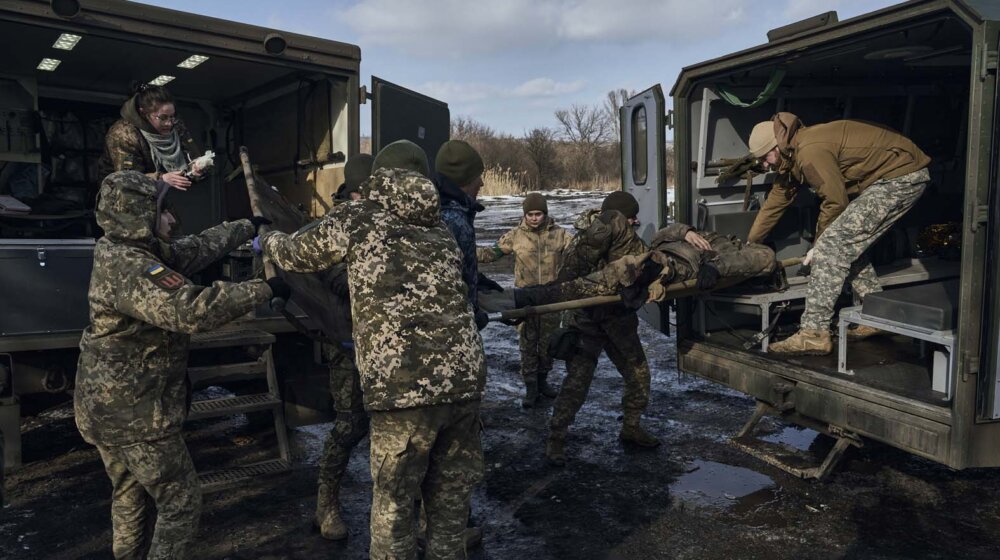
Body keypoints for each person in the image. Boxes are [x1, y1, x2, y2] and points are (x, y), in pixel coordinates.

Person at [259, 140, 485, 559]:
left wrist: (267, 238)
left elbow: (296, 253)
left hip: (403, 390)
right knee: (450, 517)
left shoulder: (358, 217)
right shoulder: (441, 227)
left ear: (381, 177)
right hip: (464, 385)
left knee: (394, 512)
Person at [74, 170, 287, 559]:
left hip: (108, 410)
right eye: (163, 211)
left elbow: (193, 249)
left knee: (128, 493)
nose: (172, 219)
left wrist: (245, 227)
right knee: (180, 502)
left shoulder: (127, 249)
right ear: (137, 214)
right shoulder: (131, 266)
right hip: (134, 414)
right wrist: (265, 288)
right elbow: (190, 311)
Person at [745, 112, 931, 355]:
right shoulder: (792, 155)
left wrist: (818, 245)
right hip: (887, 178)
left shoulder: (809, 150)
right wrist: (752, 242)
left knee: (832, 246)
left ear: (776, 147)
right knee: (845, 246)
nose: (765, 165)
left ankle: (813, 334)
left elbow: (835, 202)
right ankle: (876, 315)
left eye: (765, 158)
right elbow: (776, 201)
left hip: (902, 177)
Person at [542, 191, 658, 467]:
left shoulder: (629, 241)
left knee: (638, 373)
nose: (636, 221)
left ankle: (631, 426)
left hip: (619, 323)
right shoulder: (586, 240)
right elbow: (569, 277)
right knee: (577, 383)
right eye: (632, 217)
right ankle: (556, 438)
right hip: (587, 323)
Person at [314, 153, 374, 541]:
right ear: (356, 191)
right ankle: (326, 504)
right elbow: (333, 276)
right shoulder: (331, 226)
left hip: (389, 344)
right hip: (349, 341)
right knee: (351, 424)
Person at [477, 192, 572, 407]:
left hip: (551, 298)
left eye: (538, 214)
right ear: (525, 214)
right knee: (528, 343)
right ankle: (531, 387)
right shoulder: (515, 236)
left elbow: (580, 251)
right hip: (524, 298)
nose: (534, 218)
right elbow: (490, 253)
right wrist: (464, 252)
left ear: (545, 214)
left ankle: (543, 381)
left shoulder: (560, 235)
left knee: (548, 343)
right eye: (530, 214)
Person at [99, 83, 204, 191]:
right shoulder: (124, 133)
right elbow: (127, 178)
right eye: (162, 118)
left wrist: (196, 169)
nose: (169, 123)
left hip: (158, 194)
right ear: (143, 113)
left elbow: (192, 158)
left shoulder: (176, 126)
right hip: (121, 196)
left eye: (172, 117)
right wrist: (161, 178)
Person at [434, 139, 489, 330]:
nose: (481, 183)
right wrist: (472, 313)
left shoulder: (439, 209)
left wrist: (479, 281)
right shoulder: (454, 220)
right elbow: (453, 282)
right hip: (452, 330)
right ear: (465, 180)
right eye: (477, 177)